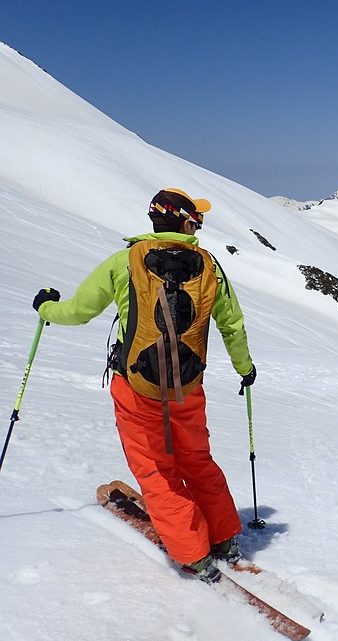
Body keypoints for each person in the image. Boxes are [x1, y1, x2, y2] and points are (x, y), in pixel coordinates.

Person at [32, 188, 257, 583]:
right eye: (197, 217)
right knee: (197, 460)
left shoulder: (125, 262)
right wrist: (245, 369)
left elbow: (79, 311)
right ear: (188, 222)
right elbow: (232, 325)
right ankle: (223, 538)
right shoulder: (210, 267)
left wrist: (46, 307)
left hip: (136, 387)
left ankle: (193, 555)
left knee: (156, 470)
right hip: (188, 386)